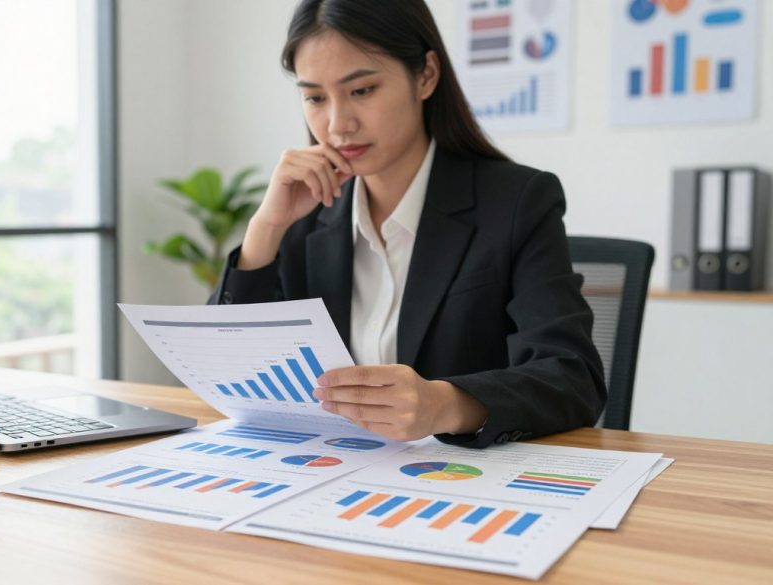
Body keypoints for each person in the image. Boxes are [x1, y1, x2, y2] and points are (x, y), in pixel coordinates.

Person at [208, 0, 605, 448]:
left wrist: (444, 404)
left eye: (362, 90)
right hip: (331, 478)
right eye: (315, 98)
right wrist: (265, 229)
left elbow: (573, 378)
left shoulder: (517, 202)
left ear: (426, 75)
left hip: (459, 485)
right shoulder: (303, 214)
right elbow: (229, 376)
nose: (338, 124)